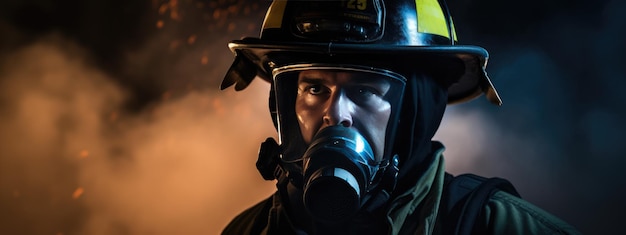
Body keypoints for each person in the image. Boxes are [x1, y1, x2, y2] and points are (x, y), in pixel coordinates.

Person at [219, 0, 581, 234]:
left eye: (364, 91)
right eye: (314, 89)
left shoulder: (498, 228)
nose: (334, 114)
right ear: (282, 101)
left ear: (417, 112)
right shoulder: (249, 230)